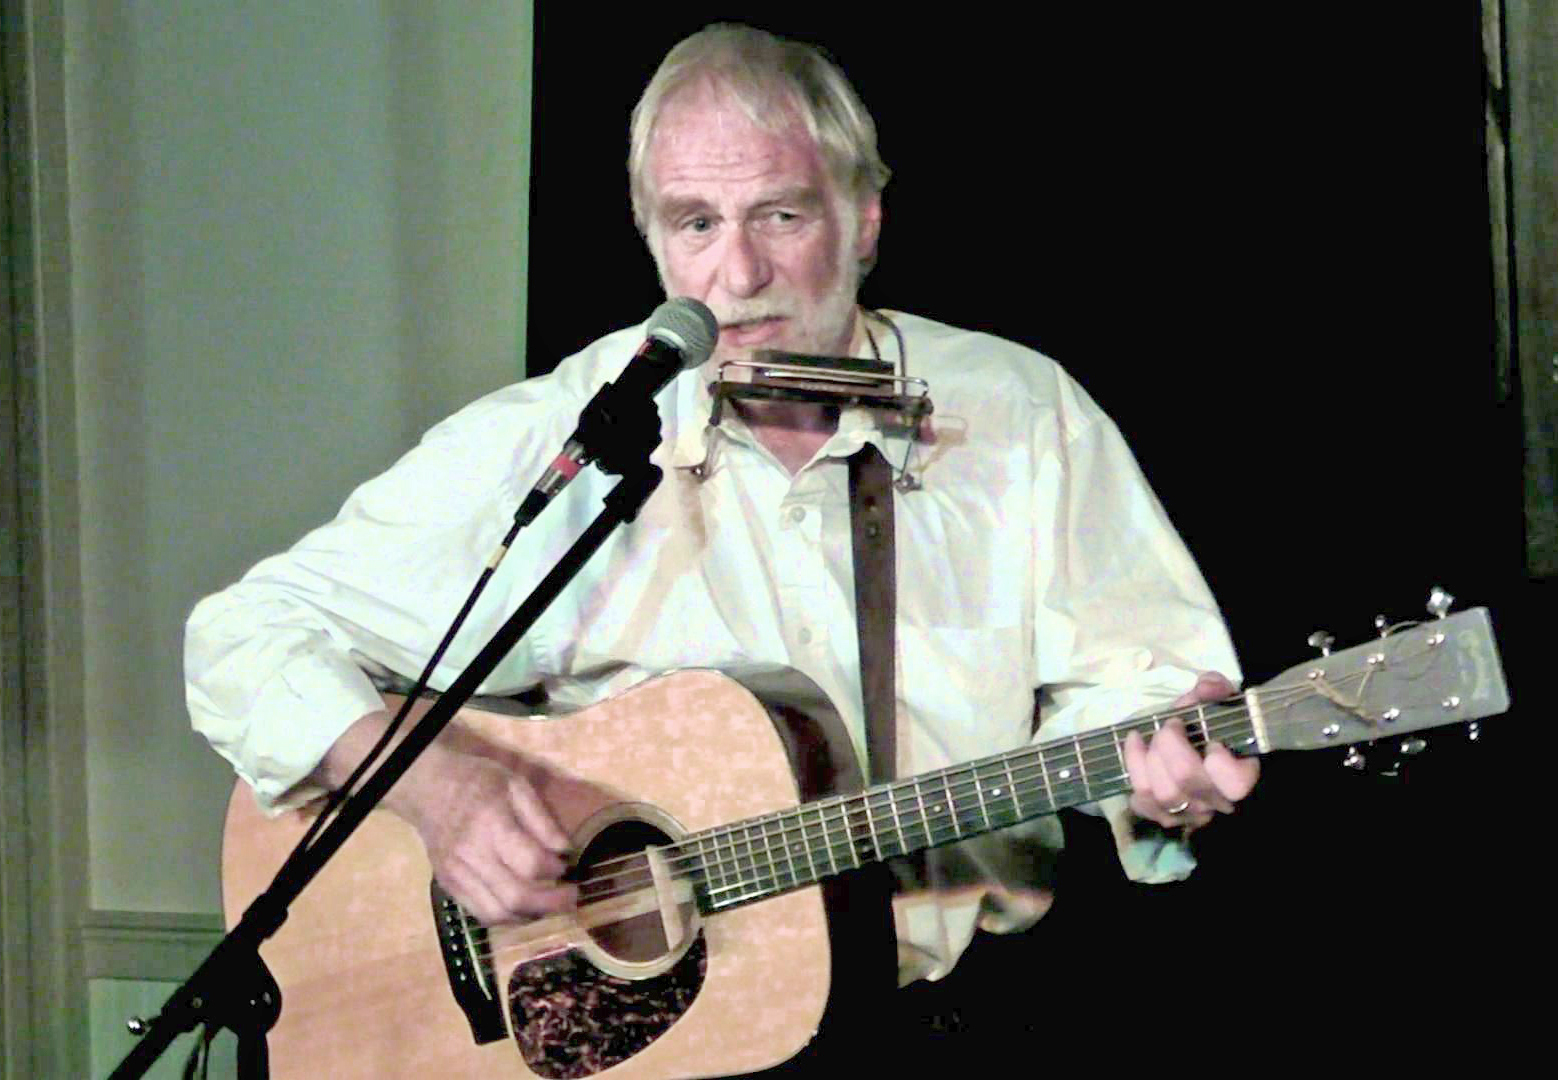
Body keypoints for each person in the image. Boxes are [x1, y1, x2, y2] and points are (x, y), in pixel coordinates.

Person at [187, 21, 1258, 1066]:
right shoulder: (573, 432)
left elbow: (1144, 697)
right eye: (694, 224)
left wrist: (1164, 773)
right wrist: (443, 792)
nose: (736, 277)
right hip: (660, 1045)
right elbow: (242, 639)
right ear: (651, 237)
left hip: (955, 1023)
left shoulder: (1016, 414)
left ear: (864, 218)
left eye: (780, 215)